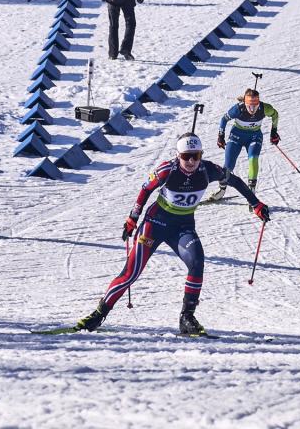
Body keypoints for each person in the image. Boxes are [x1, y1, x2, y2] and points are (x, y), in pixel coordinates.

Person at [67, 133, 269, 336]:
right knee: (131, 273)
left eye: (196, 156)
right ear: (177, 155)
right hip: (155, 224)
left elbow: (235, 181)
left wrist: (256, 204)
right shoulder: (167, 170)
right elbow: (145, 190)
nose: (191, 161)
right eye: (186, 156)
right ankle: (97, 315)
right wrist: (132, 219)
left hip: (183, 226)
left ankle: (187, 318)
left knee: (197, 262)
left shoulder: (208, 170)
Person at [215, 89, 279, 197]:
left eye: (255, 105)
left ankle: (251, 193)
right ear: (245, 103)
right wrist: (221, 136)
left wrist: (273, 132)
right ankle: (222, 190)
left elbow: (275, 115)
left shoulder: (265, 108)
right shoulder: (238, 109)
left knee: (253, 160)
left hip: (254, 137)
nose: (253, 109)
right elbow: (223, 119)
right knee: (228, 165)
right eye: (249, 106)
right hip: (236, 137)